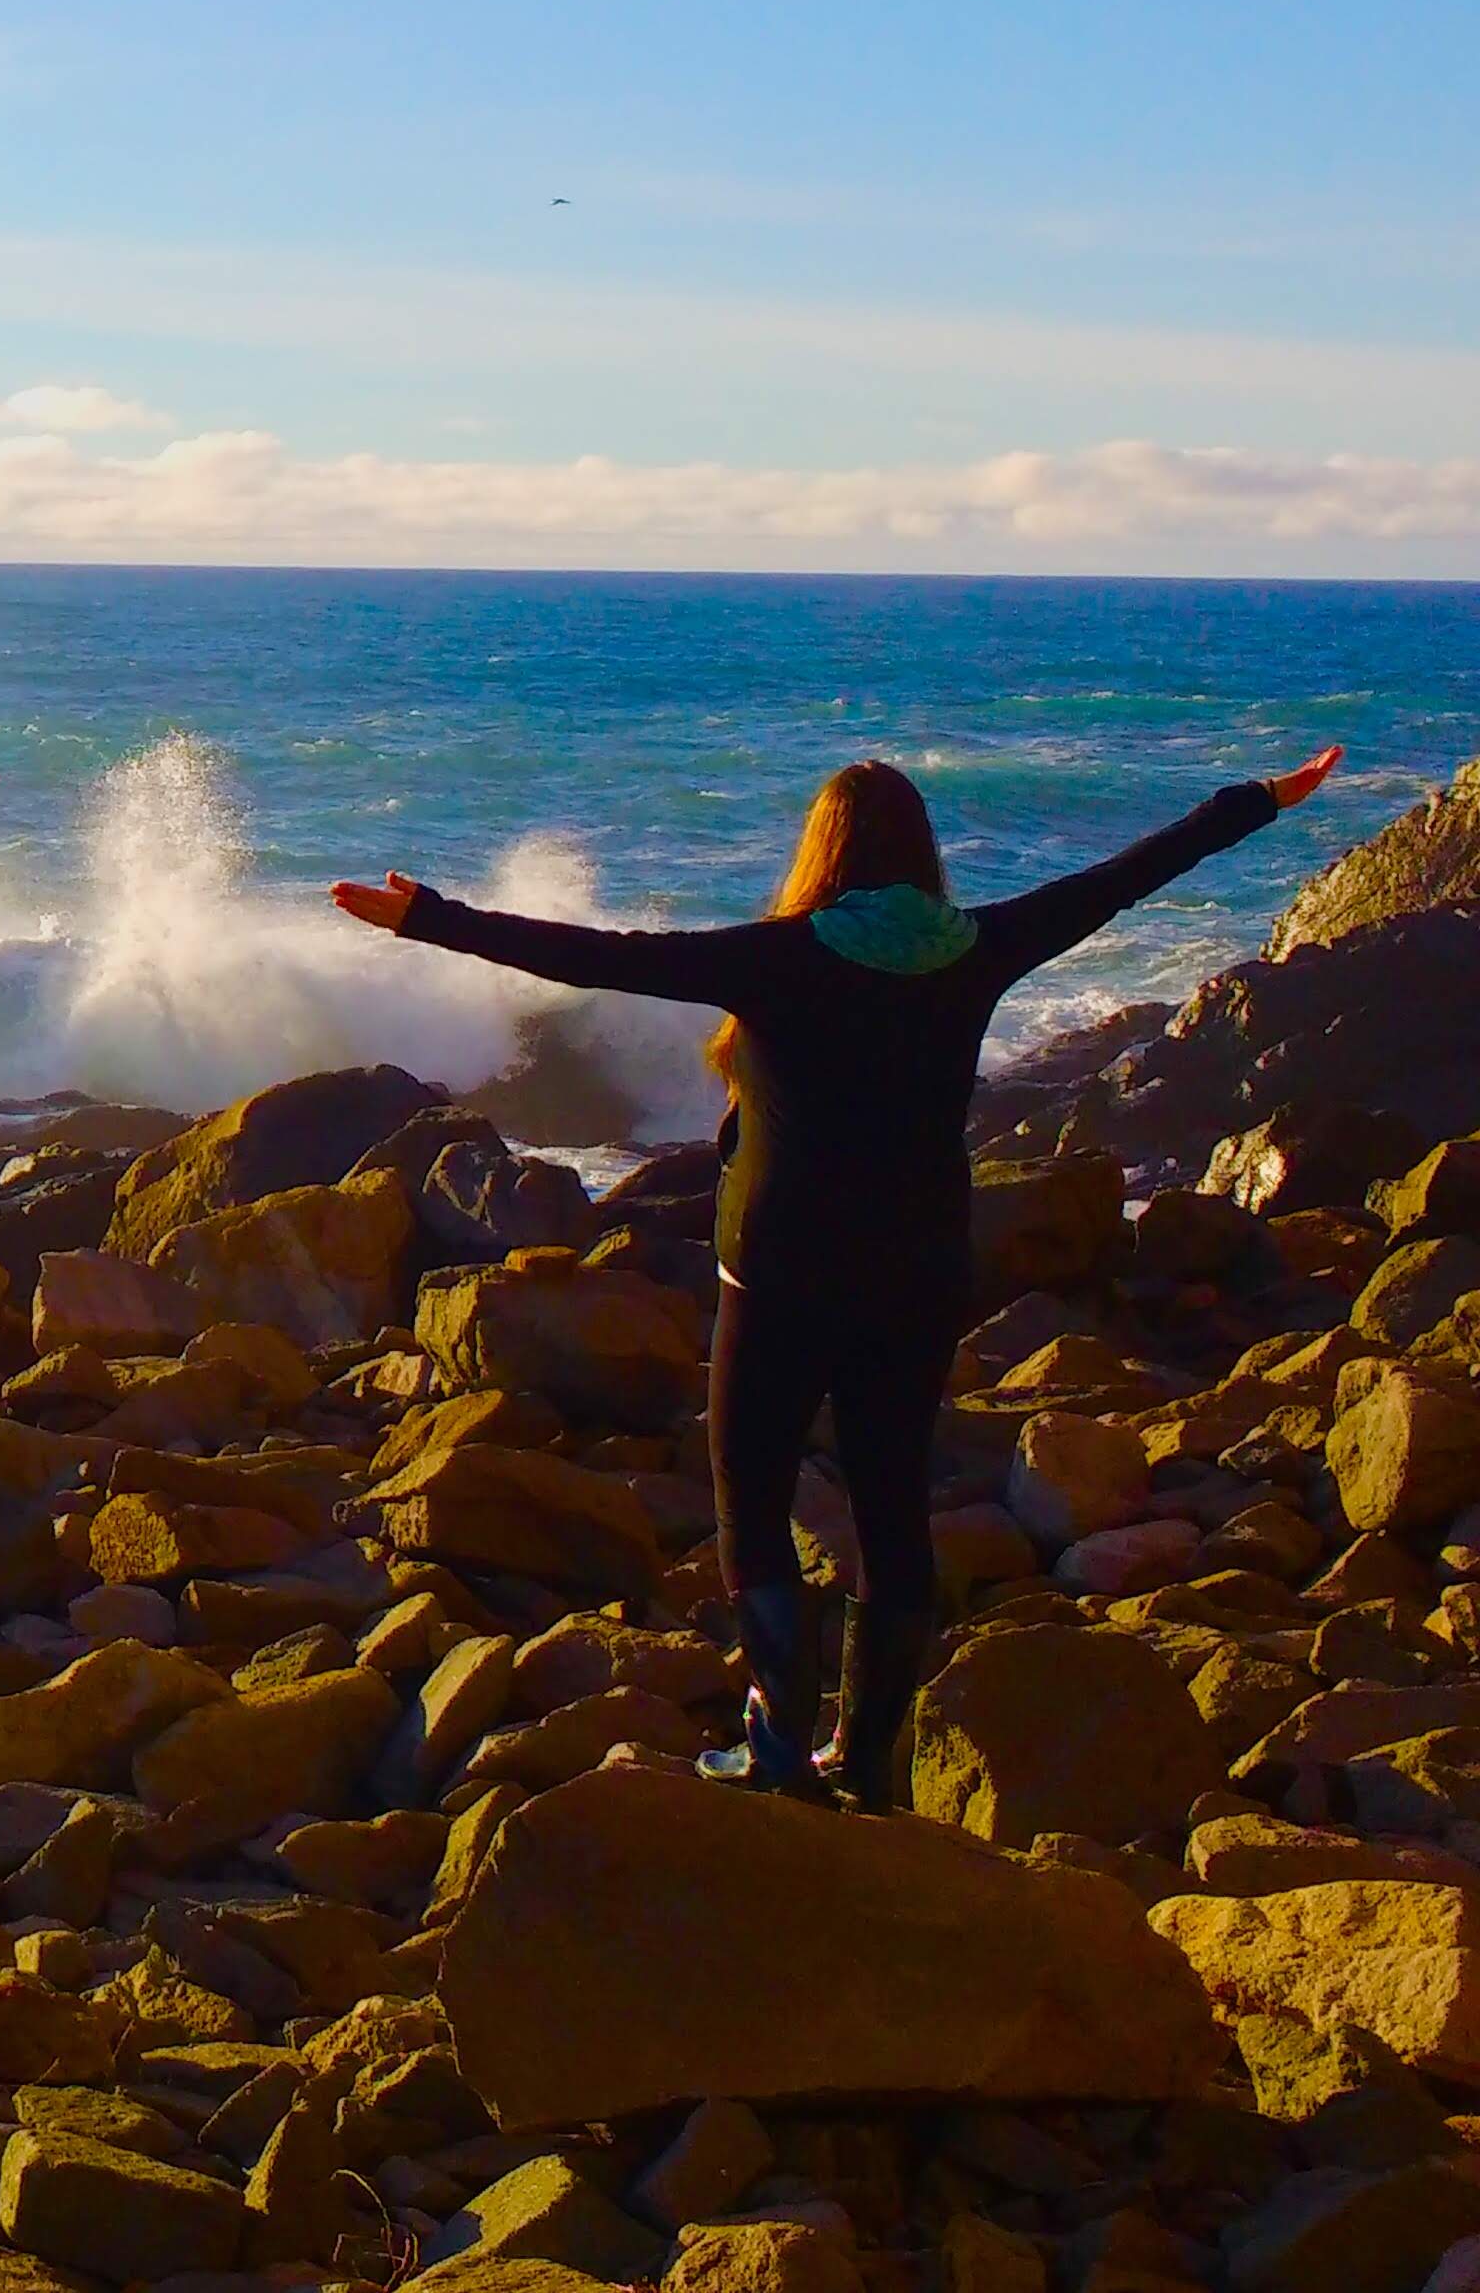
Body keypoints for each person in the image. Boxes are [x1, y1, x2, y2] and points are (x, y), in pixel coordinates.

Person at [331, 742, 1343, 1805]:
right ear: (921, 855)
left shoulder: (779, 958)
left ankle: (777, 1746)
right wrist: (1256, 801)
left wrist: (430, 918)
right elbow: (1125, 875)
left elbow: (604, 956)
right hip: (916, 1274)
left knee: (753, 1500)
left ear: (820, 850)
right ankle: (868, 1763)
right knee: (890, 1508)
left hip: (777, 1276)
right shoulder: (976, 946)